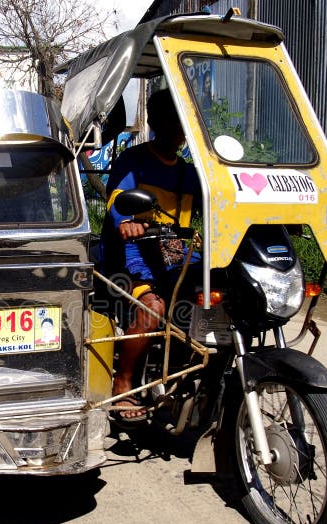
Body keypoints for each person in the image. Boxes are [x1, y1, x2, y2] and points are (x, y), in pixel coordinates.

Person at [101, 88, 202, 423]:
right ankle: (123, 382)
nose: (179, 130)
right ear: (157, 123)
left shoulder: (189, 172)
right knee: (153, 309)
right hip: (132, 256)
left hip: (177, 255)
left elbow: (219, 202)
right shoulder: (135, 160)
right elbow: (118, 199)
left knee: (220, 297)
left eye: (183, 122)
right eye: (173, 121)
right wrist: (126, 222)